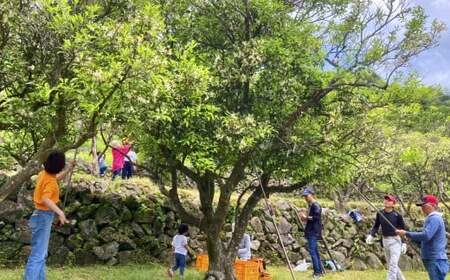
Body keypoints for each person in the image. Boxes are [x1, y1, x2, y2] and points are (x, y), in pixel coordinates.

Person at [24, 151, 74, 280]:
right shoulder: (50, 182)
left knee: (41, 253)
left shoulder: (44, 175)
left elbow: (55, 179)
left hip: (39, 216)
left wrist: (68, 170)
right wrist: (60, 212)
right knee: (38, 254)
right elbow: (46, 199)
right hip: (43, 216)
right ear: (59, 166)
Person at [396, 195, 448, 280]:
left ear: (433, 205)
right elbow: (427, 239)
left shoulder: (435, 218)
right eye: (421, 206)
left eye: (424, 205)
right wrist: (411, 238)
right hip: (432, 258)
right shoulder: (431, 218)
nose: (422, 208)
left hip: (435, 258)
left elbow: (426, 235)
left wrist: (407, 233)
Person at [366, 195, 407, 280]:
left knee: (393, 263)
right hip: (385, 240)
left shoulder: (397, 215)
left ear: (393, 203)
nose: (386, 201)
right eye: (385, 199)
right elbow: (376, 226)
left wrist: (404, 243)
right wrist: (371, 235)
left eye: (389, 200)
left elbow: (402, 229)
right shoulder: (380, 213)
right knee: (391, 264)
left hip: (395, 241)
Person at [298, 188, 324, 278]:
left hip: (313, 231)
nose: (305, 198)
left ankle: (317, 273)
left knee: (313, 252)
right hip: (312, 231)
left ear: (311, 195)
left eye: (306, 196)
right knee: (315, 251)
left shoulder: (315, 205)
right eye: (304, 196)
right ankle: (319, 271)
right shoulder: (311, 205)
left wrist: (306, 217)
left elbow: (316, 217)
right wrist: (306, 218)